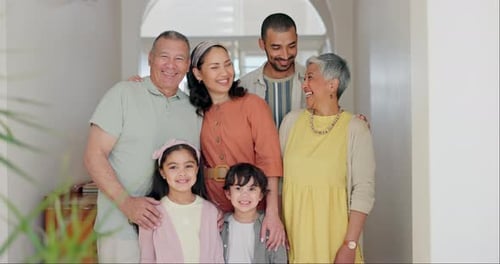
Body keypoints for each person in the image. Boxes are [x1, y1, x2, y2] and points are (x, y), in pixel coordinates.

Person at [83, 30, 202, 263]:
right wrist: (126, 204)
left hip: (175, 231)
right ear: (150, 58)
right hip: (122, 230)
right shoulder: (123, 94)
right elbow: (93, 155)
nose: (171, 65)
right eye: (164, 57)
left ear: (188, 65)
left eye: (179, 59)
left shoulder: (193, 110)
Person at [187, 40, 286, 251]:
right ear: (198, 73)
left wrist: (272, 212)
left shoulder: (253, 105)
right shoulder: (192, 111)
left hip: (254, 206)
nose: (224, 72)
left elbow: (270, 160)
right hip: (213, 208)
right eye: (214, 67)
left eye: (227, 64)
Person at [279, 53, 375, 263]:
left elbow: (364, 191)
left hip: (336, 242)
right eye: (304, 78)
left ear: (332, 85)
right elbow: (278, 180)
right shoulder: (291, 122)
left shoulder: (356, 129)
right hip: (295, 241)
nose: (305, 84)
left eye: (310, 77)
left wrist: (350, 245)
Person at [138, 139, 224, 263]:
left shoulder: (210, 211)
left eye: (188, 166)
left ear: (197, 169)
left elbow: (217, 256)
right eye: (173, 167)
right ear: (162, 172)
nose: (182, 173)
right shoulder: (152, 212)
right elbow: (146, 258)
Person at [238, 12, 305, 127]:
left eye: (291, 46)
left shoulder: (314, 82)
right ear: (262, 44)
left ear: (297, 40)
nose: (285, 55)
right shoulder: (243, 87)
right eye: (276, 47)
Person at [221, 163, 287, 263]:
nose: (245, 195)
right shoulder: (220, 225)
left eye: (251, 189)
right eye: (238, 188)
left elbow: (279, 260)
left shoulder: (272, 229)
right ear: (228, 193)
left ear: (261, 195)